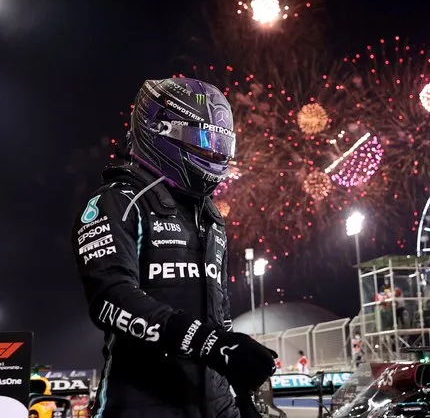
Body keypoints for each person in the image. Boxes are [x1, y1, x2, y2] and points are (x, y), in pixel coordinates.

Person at [71, 78, 277, 418]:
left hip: (216, 408)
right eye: (202, 139)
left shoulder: (211, 217)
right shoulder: (117, 202)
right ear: (160, 130)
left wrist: (240, 398)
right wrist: (210, 344)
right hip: (140, 407)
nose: (213, 152)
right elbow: (110, 297)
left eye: (220, 143)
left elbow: (219, 317)